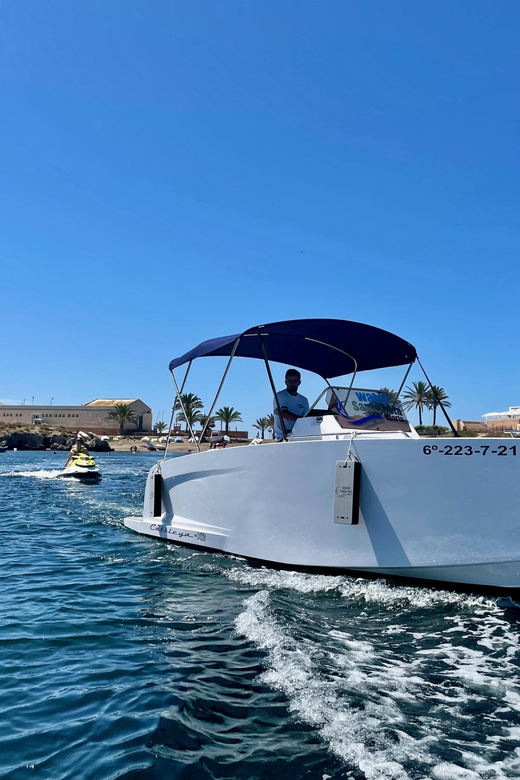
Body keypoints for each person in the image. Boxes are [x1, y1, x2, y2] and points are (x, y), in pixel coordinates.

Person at [273, 369, 309, 441]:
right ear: (285, 382)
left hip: (300, 436)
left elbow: (307, 418)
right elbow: (284, 413)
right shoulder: (280, 396)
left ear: (299, 382)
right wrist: (300, 419)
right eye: (289, 381)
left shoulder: (304, 400)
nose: (292, 384)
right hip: (283, 437)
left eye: (295, 381)